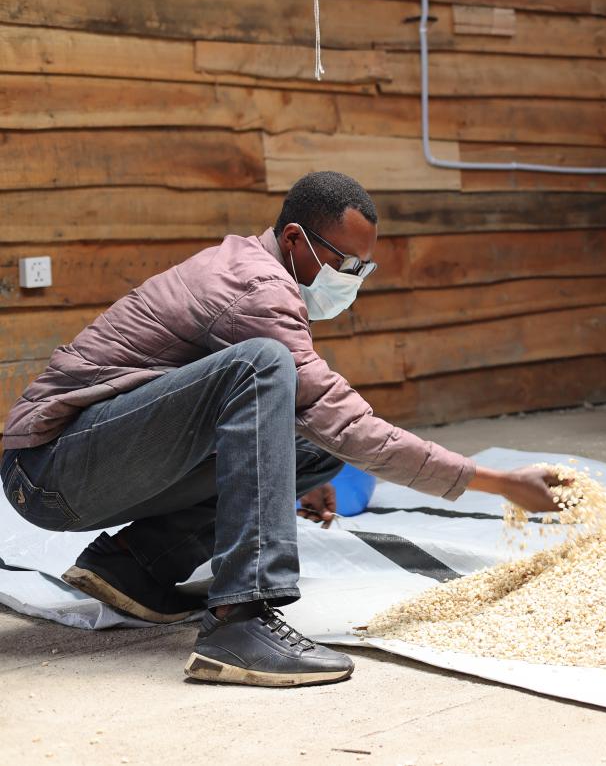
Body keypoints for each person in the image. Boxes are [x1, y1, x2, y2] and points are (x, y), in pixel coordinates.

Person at [2, 171, 565, 686]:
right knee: (264, 366)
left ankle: (131, 567)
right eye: (345, 263)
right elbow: (343, 418)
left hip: (91, 463)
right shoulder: (255, 288)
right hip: (49, 472)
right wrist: (498, 483)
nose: (352, 279)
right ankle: (240, 622)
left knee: (314, 451)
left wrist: (289, 468)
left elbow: (322, 426)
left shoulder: (260, 270)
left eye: (362, 269)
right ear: (295, 239)